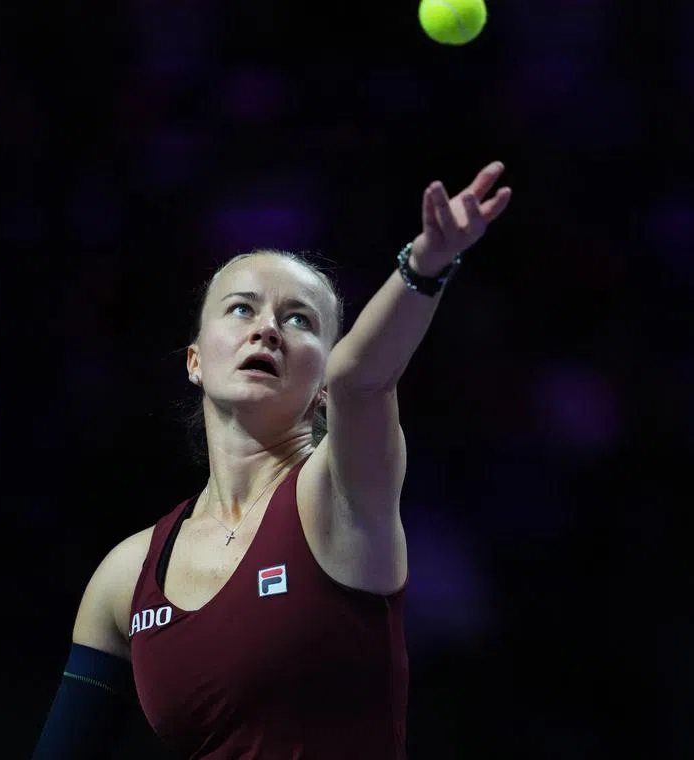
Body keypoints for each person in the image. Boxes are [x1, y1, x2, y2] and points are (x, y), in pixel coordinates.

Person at [31, 162, 512, 759]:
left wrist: (425, 266)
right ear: (195, 360)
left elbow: (363, 379)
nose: (267, 330)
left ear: (322, 388)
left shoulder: (341, 494)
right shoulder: (125, 578)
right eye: (241, 309)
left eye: (299, 320)